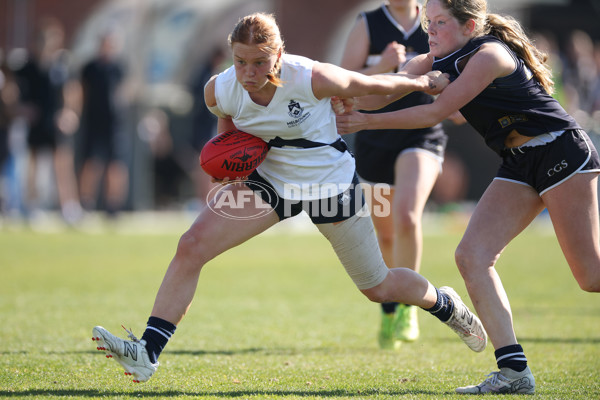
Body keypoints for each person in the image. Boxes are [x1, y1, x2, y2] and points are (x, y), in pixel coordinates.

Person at [91, 12, 487, 384]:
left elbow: (373, 85)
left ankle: (444, 303)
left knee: (378, 287)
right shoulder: (219, 88)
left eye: (260, 63)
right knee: (191, 245)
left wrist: (420, 83)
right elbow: (227, 131)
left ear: (278, 55)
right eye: (241, 61)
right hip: (271, 183)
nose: (249, 73)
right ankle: (147, 351)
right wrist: (228, 169)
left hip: (329, 185)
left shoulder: (309, 76)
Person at [335, 0, 600, 394]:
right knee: (472, 257)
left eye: (440, 23)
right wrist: (348, 100)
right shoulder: (432, 58)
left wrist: (365, 122)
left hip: (559, 150)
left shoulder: (489, 54)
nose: (431, 31)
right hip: (519, 161)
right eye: (429, 23)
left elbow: (435, 112)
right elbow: (385, 92)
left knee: (590, 278)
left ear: (469, 24)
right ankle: (514, 373)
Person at [339, 0, 449, 350]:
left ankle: (410, 305)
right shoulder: (368, 23)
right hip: (374, 135)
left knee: (407, 215)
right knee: (384, 236)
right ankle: (390, 306)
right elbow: (341, 84)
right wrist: (383, 68)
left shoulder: (437, 22)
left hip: (421, 133)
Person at [78, 31, 129, 217]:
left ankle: (113, 204)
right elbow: (81, 92)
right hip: (93, 120)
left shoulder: (118, 67)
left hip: (115, 123)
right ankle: (86, 201)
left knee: (116, 165)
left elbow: (125, 91)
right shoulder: (89, 68)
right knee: (92, 162)